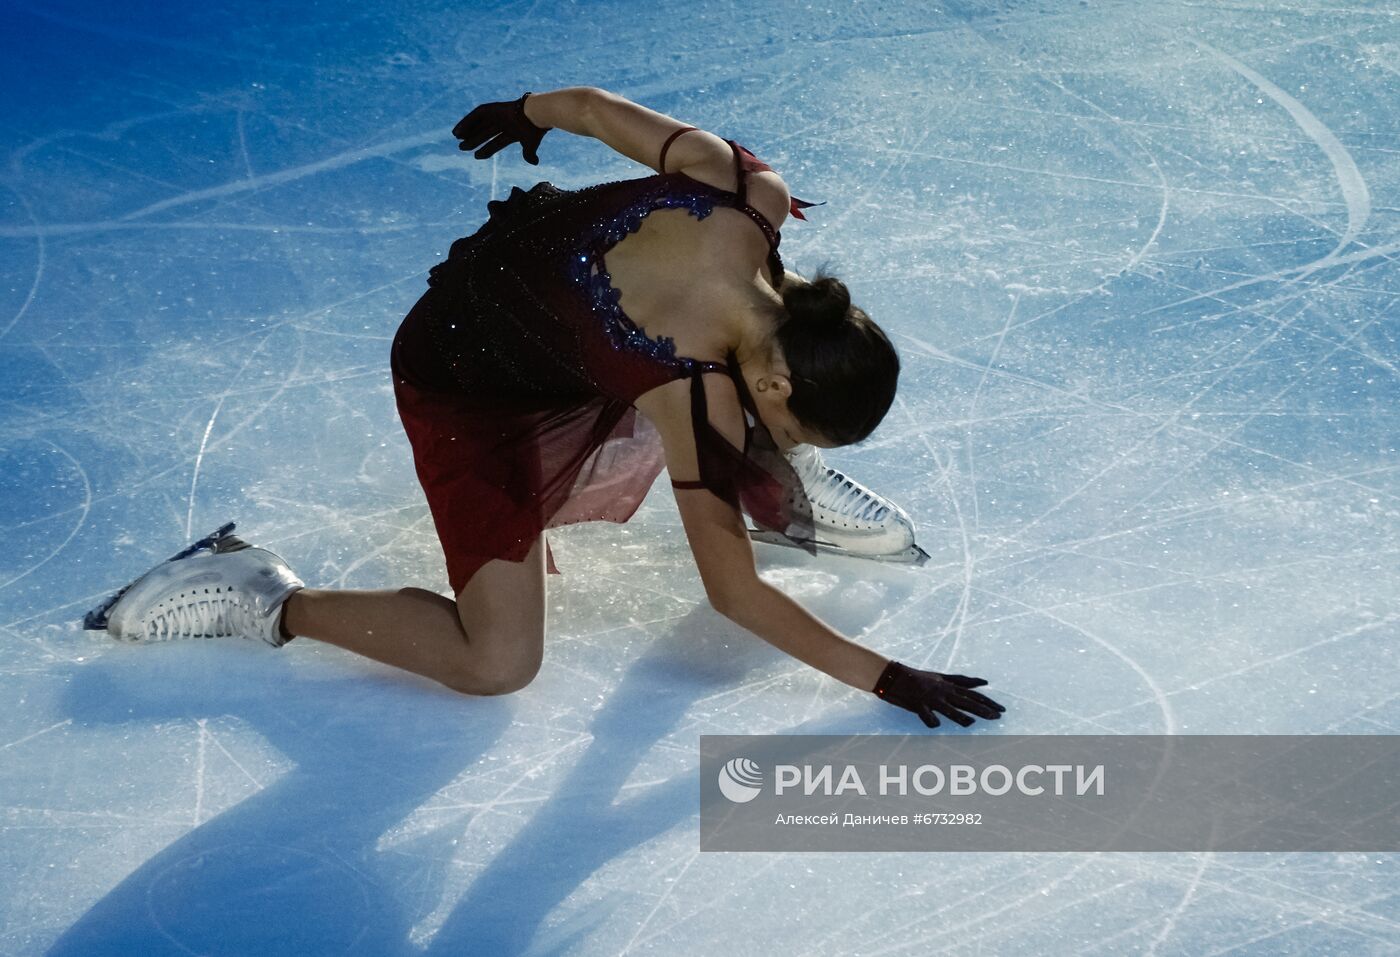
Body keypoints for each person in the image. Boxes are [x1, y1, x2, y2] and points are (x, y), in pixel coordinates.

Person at [87, 87, 1004, 730]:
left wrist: (522, 114)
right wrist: (883, 677)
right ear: (775, 388)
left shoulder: (746, 193)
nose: (768, 422)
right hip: (463, 382)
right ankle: (260, 595)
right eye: (789, 426)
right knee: (496, 663)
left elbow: (596, 109)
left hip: (526, 299)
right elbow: (734, 595)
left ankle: (774, 490)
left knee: (724, 427)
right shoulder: (698, 395)